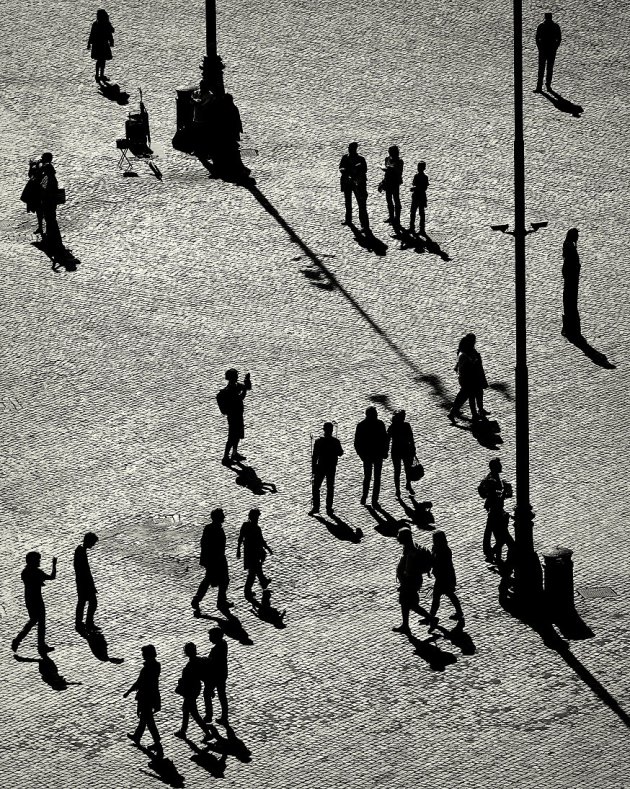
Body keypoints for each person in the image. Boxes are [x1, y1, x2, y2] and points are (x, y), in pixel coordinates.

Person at [12, 551, 57, 654]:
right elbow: (51, 577)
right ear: (32, 561)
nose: (39, 561)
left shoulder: (26, 572)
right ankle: (34, 644)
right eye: (37, 560)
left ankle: (37, 644)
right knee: (37, 622)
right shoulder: (35, 572)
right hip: (36, 600)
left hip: (30, 599)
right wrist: (54, 565)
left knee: (36, 621)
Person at [124, 644, 163, 756]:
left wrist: (128, 691)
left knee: (149, 721)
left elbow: (139, 682)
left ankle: (157, 743)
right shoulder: (156, 666)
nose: (142, 655)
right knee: (145, 718)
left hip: (146, 697)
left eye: (143, 653)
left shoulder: (147, 669)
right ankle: (137, 736)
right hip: (152, 696)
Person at [191, 508, 232, 615]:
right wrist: (210, 559)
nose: (224, 517)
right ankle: (218, 601)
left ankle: (200, 599)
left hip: (217, 558)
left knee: (215, 580)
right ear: (217, 517)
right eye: (222, 515)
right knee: (217, 580)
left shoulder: (212, 528)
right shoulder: (212, 529)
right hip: (215, 559)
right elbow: (205, 544)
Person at [392, 527, 431, 634]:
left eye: (399, 536)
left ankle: (430, 618)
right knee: (405, 603)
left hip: (410, 582)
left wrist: (404, 583)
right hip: (409, 582)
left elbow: (409, 570)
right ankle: (405, 625)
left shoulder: (410, 551)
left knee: (411, 604)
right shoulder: (408, 548)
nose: (397, 538)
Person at [478, 458, 514, 565]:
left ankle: (494, 555)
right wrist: (504, 493)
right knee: (505, 539)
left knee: (498, 536)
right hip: (496, 513)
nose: (501, 466)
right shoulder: (491, 480)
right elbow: (495, 496)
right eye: (499, 465)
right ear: (494, 467)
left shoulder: (494, 478)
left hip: (497, 512)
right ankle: (493, 553)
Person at [175, 643, 212, 741]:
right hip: (194, 688)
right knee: (186, 709)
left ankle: (208, 733)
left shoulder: (193, 663)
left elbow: (192, 677)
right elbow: (204, 676)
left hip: (190, 690)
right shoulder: (198, 661)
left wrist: (182, 681)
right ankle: (183, 731)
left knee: (194, 712)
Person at [448, 333, 488, 424]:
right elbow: (466, 368)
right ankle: (455, 412)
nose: (475, 342)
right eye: (474, 341)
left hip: (470, 379)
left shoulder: (469, 351)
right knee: (467, 396)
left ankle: (455, 412)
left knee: (465, 396)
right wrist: (474, 362)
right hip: (468, 380)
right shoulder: (464, 355)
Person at [427, 531, 464, 628]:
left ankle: (432, 616)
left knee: (439, 596)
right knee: (448, 595)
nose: (433, 541)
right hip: (441, 577)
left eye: (435, 539)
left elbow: (441, 564)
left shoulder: (445, 551)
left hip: (445, 577)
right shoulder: (437, 549)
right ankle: (459, 612)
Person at [354, 407, 388, 506]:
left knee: (368, 477)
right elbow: (385, 439)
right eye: (375, 413)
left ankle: (365, 497)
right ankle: (374, 500)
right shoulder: (380, 424)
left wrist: (361, 454)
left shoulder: (361, 425)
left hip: (368, 455)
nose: (377, 415)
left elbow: (357, 443)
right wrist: (385, 451)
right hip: (376, 454)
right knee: (376, 478)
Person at [217, 368, 252, 466]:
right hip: (233, 417)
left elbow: (247, 387)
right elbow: (240, 398)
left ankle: (234, 453)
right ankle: (225, 457)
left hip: (238, 415)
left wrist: (247, 381)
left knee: (237, 435)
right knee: (232, 436)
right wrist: (244, 390)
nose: (237, 377)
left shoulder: (236, 386)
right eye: (236, 376)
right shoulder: (229, 390)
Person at [237, 509, 273, 601]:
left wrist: (238, 550)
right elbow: (260, 540)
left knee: (255, 570)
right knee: (253, 572)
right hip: (253, 553)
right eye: (257, 516)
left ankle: (262, 583)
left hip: (251, 552)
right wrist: (267, 548)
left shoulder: (247, 526)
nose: (258, 518)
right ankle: (250, 589)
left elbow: (241, 538)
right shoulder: (255, 528)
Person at [310, 422, 344, 515]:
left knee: (316, 487)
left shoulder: (318, 442)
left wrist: (313, 469)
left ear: (324, 430)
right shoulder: (335, 441)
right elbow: (340, 453)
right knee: (330, 487)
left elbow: (314, 457)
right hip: (331, 467)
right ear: (332, 430)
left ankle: (316, 507)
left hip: (320, 466)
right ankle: (329, 508)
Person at [339, 142, 370, 230]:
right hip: (347, 183)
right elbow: (341, 167)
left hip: (358, 184)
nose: (349, 149)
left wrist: (356, 174)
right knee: (348, 202)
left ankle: (364, 225)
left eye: (351, 148)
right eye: (349, 148)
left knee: (361, 204)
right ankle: (348, 220)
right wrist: (344, 171)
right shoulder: (345, 157)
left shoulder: (361, 159)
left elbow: (364, 170)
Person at [202, 628, 229, 725]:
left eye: (211, 636)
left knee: (207, 693)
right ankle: (224, 716)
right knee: (222, 694)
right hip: (222, 673)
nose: (209, 638)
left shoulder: (217, 649)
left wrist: (205, 660)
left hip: (215, 675)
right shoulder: (224, 644)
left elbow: (212, 662)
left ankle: (209, 715)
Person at [387, 410, 417, 498]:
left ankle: (398, 490)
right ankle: (407, 485)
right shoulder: (406, 426)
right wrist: (413, 448)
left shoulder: (392, 427)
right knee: (406, 469)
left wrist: (386, 450)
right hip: (405, 450)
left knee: (398, 471)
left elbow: (388, 440)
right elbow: (411, 438)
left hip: (396, 450)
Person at [74, 532, 99, 633]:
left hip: (82, 582)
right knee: (91, 602)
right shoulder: (81, 552)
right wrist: (90, 584)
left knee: (83, 602)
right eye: (92, 543)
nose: (93, 545)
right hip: (84, 582)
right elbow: (84, 570)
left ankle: (80, 622)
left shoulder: (80, 550)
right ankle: (87, 622)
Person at [39, 153, 63, 257]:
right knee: (51, 220)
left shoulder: (50, 180)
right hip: (50, 203)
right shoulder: (51, 178)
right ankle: (53, 239)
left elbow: (47, 191)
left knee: (50, 220)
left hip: (49, 202)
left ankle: (53, 240)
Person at [535, 12, 562, 92]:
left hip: (543, 50)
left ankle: (539, 86)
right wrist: (555, 47)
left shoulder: (541, 26)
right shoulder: (555, 26)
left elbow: (537, 38)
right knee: (549, 68)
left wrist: (539, 47)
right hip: (551, 50)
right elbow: (559, 38)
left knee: (541, 68)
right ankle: (548, 85)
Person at [562, 228, 581, 338]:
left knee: (569, 302)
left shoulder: (569, 245)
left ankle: (570, 328)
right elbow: (572, 264)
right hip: (571, 279)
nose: (578, 237)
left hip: (570, 279)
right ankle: (571, 329)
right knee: (571, 303)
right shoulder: (571, 248)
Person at [87, 9, 115, 82]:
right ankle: (100, 75)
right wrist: (111, 41)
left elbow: (92, 34)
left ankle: (98, 75)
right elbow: (111, 32)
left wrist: (89, 43)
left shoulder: (95, 24)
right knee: (102, 60)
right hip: (103, 44)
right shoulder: (105, 24)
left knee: (99, 60)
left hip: (97, 45)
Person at [20, 158, 45, 234]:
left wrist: (33, 166)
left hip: (38, 195)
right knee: (39, 211)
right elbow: (30, 175)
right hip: (37, 194)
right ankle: (40, 227)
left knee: (40, 211)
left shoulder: (40, 173)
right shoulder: (38, 171)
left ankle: (41, 227)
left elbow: (32, 175)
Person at [381, 145, 403, 226]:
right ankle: (391, 217)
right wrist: (383, 182)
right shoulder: (387, 159)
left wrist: (391, 169)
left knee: (396, 200)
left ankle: (397, 219)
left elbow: (399, 172)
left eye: (390, 152)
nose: (389, 153)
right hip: (388, 182)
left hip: (395, 183)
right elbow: (386, 171)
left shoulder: (399, 161)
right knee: (389, 200)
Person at [409, 161, 428, 235]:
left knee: (414, 212)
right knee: (421, 213)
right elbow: (424, 188)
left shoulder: (416, 176)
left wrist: (414, 188)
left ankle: (412, 227)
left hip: (417, 196)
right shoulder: (425, 177)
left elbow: (416, 185)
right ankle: (421, 229)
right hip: (421, 196)